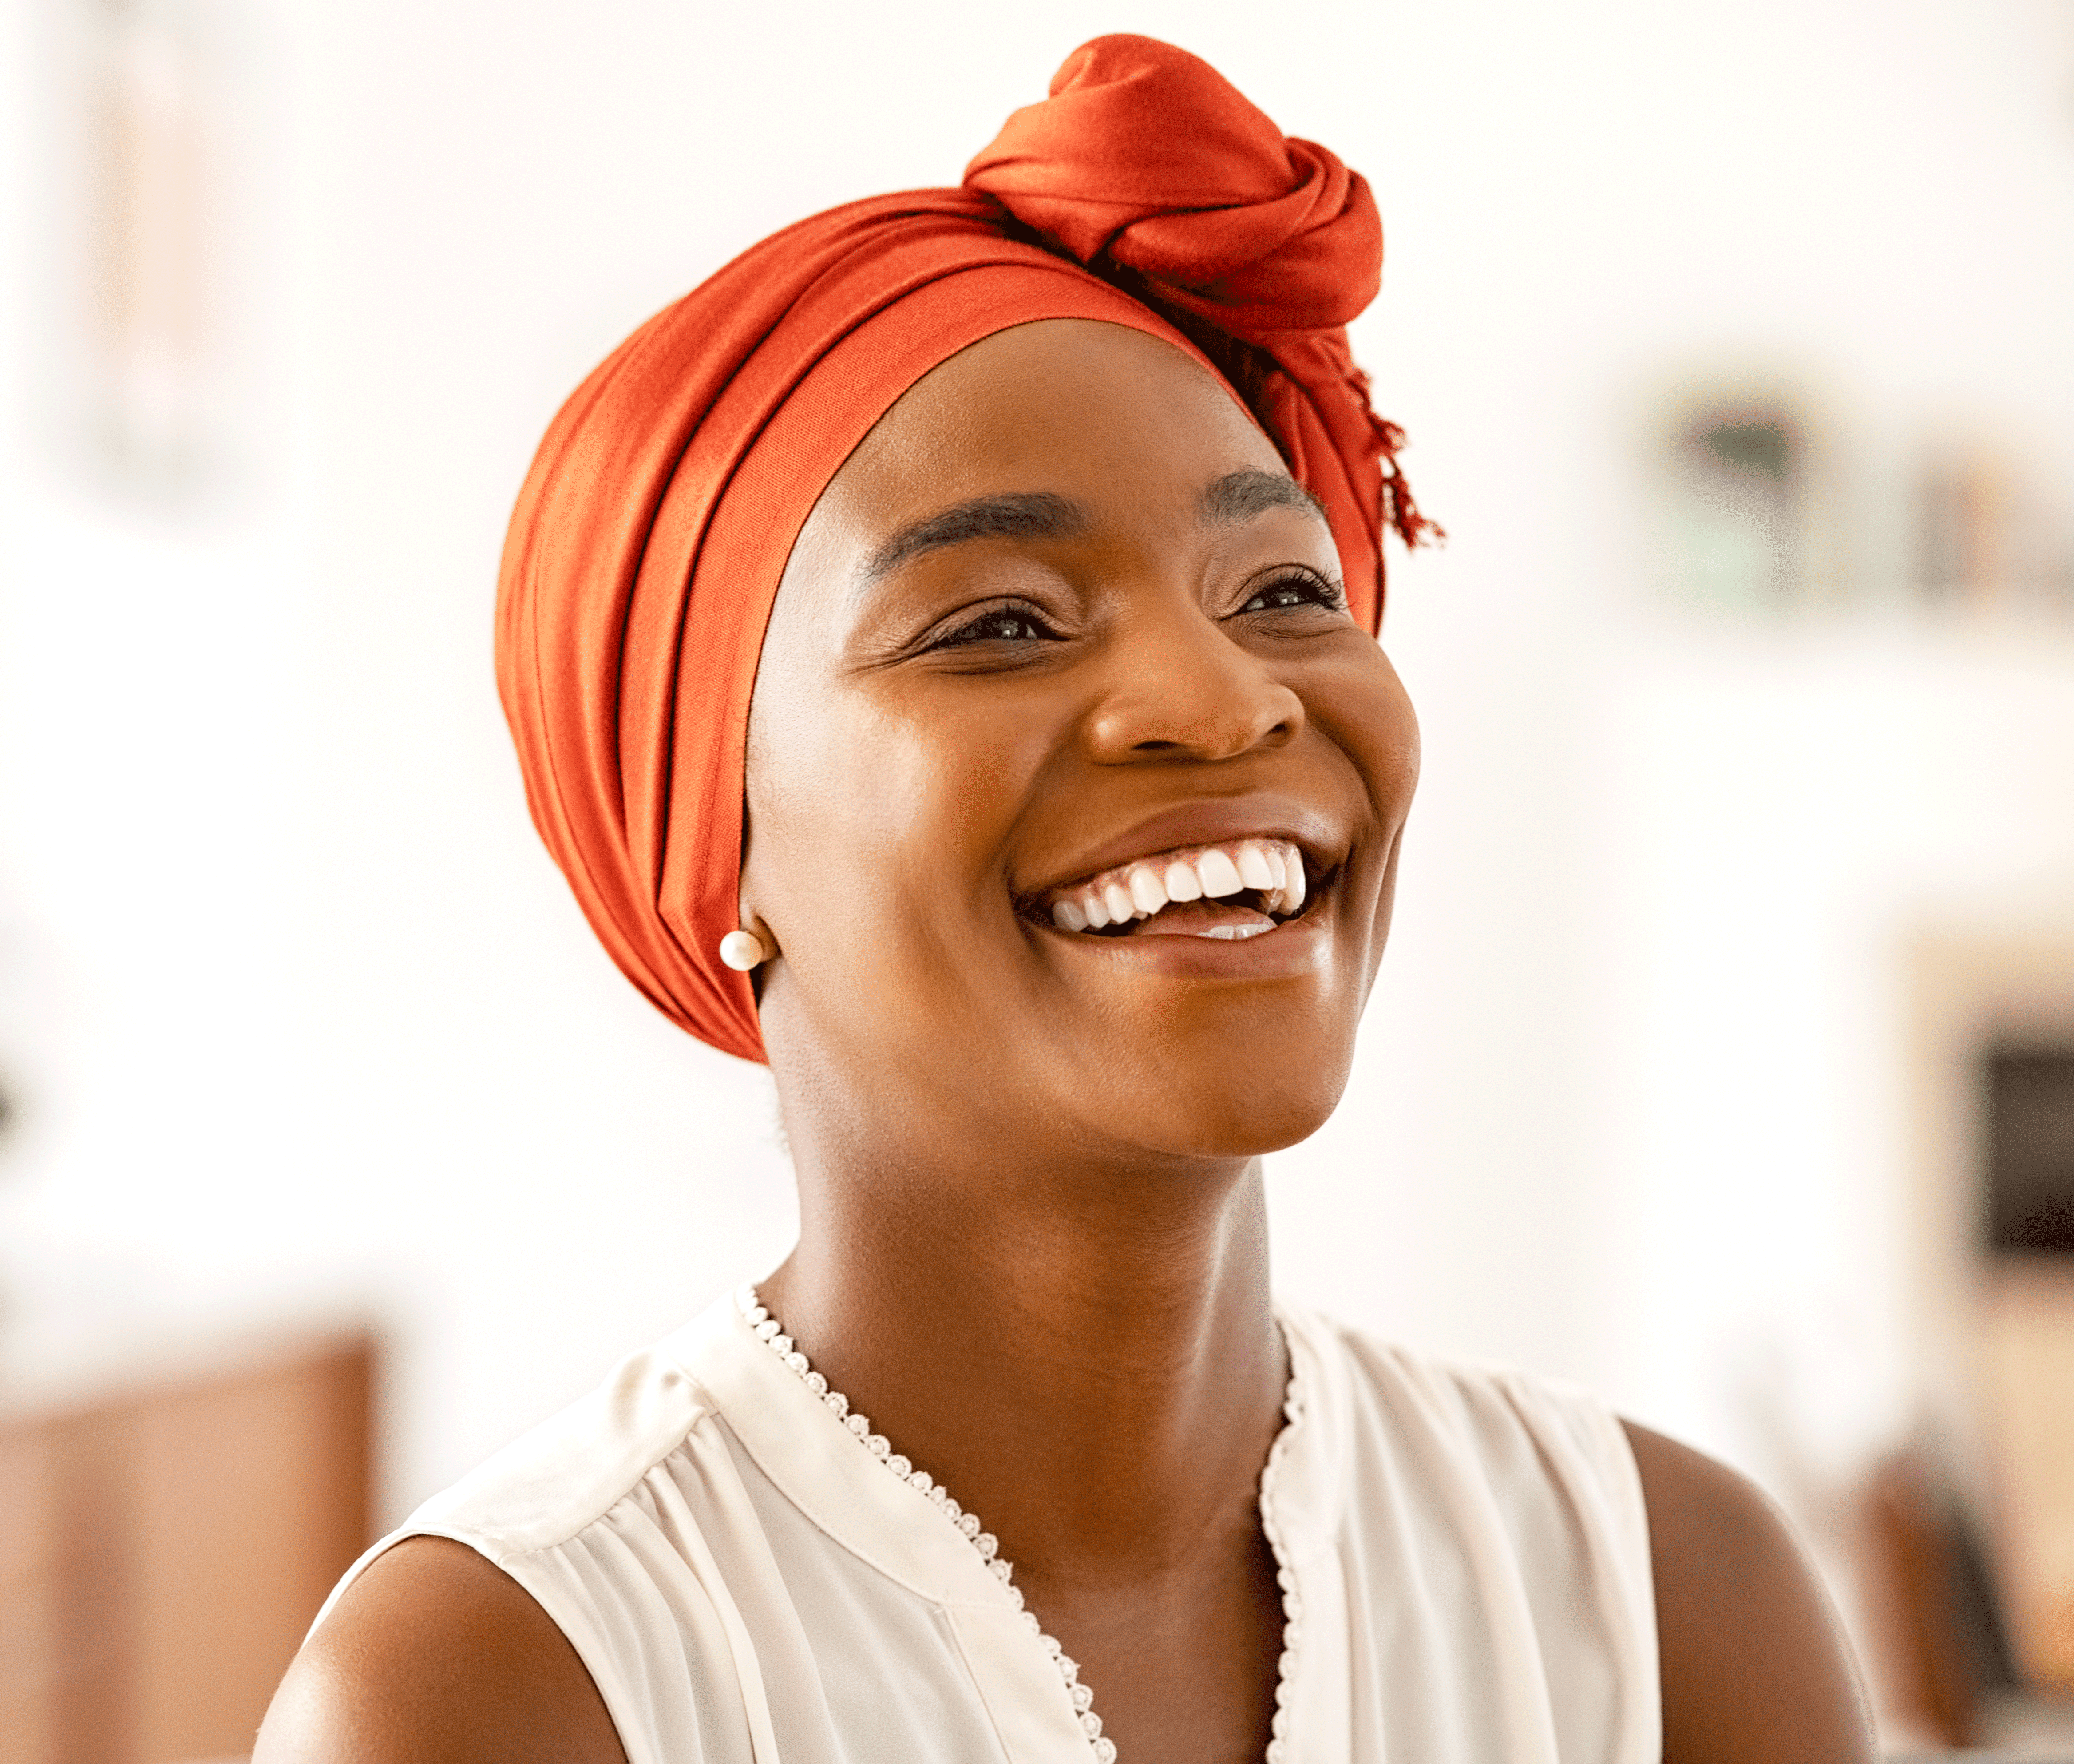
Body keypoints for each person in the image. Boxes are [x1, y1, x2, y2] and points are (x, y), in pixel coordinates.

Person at [257, 36, 1873, 1764]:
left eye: (1279, 585)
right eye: (1000, 622)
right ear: (709, 847)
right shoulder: (508, 1687)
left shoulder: (1660, 1602)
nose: (1224, 696)